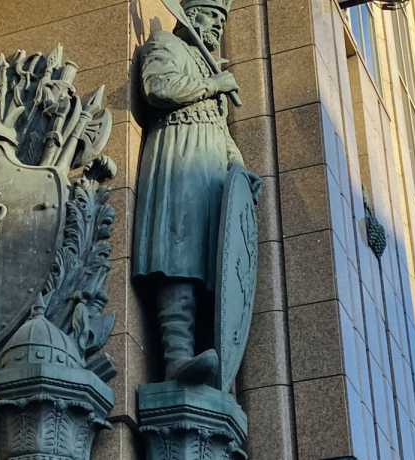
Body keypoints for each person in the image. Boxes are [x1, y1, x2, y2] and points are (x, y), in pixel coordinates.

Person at [132, 0, 261, 384]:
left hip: (211, 168)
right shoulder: (165, 44)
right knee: (179, 256)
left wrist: (238, 168)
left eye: (223, 20)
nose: (218, 26)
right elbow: (157, 88)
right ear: (190, 15)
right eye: (212, 17)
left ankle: (207, 357)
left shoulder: (209, 64)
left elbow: (221, 130)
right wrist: (212, 85)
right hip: (179, 155)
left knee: (209, 263)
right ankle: (176, 357)